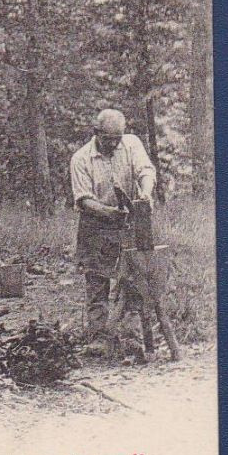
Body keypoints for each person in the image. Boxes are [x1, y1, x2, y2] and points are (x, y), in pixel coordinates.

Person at [69, 108, 157, 345]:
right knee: (97, 280)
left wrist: (146, 193)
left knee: (133, 278)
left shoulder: (131, 144)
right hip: (95, 221)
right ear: (96, 133)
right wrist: (109, 213)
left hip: (128, 221)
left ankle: (131, 336)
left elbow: (145, 170)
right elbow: (84, 199)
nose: (114, 144)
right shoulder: (81, 159)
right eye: (108, 139)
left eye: (117, 138)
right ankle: (98, 338)